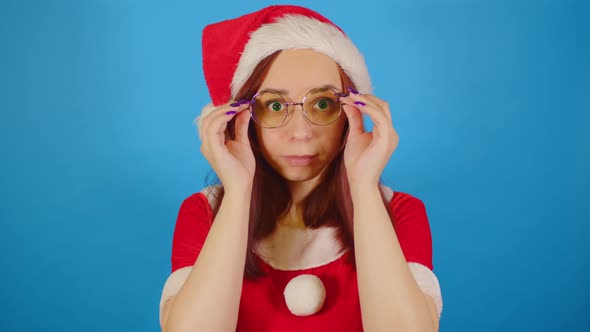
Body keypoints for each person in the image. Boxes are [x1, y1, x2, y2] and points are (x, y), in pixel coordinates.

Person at [159, 5, 443, 332]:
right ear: (240, 117)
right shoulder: (205, 212)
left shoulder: (400, 212)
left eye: (323, 104)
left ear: (353, 111)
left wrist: (363, 186)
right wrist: (237, 191)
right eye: (275, 105)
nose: (301, 132)